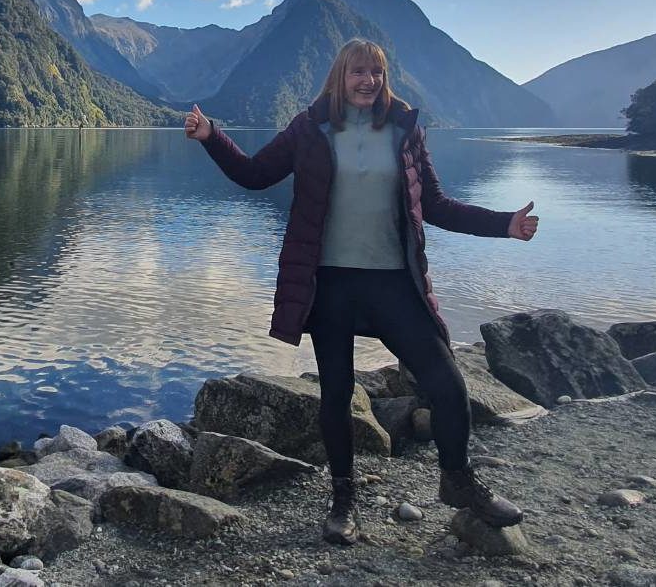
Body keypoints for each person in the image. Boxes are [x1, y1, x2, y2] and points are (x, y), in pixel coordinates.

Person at [185, 38, 538, 545]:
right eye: (357, 72)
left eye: (375, 71)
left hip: (394, 282)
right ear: (339, 77)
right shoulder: (309, 129)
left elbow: (434, 204)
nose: (368, 80)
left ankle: (458, 481)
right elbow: (255, 174)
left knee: (447, 383)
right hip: (329, 284)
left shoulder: (405, 130)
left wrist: (504, 224)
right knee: (335, 394)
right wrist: (212, 136)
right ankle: (342, 498)